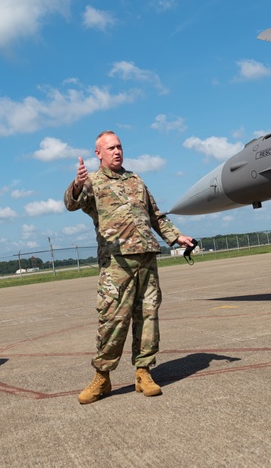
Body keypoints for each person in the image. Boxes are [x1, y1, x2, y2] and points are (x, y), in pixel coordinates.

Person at [64, 131, 195, 405]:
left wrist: (175, 237)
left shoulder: (136, 180)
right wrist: (76, 184)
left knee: (148, 317)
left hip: (147, 259)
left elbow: (154, 215)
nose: (117, 151)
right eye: (110, 148)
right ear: (98, 153)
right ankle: (102, 377)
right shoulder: (93, 183)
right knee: (112, 320)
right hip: (116, 264)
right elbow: (71, 203)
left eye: (119, 146)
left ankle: (143, 372)